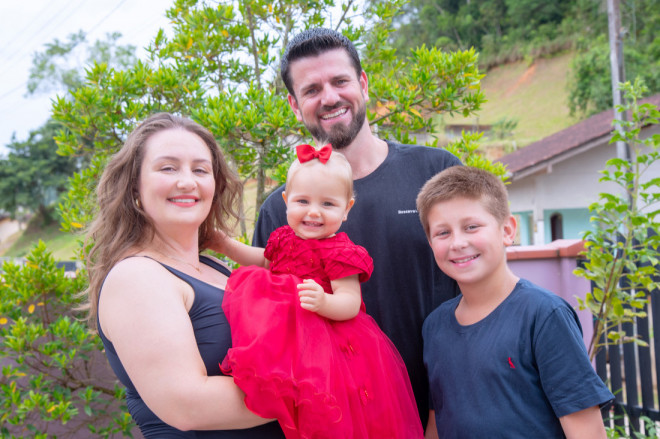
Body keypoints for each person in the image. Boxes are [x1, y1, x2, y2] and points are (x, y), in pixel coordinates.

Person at [252, 27, 462, 428]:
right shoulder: (281, 213)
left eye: (340, 81)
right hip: (336, 423)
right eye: (312, 89)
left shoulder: (436, 173)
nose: (329, 97)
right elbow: (272, 330)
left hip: (449, 413)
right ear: (296, 106)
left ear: (363, 84)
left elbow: (483, 291)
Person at [82, 113, 285, 438]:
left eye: (200, 170)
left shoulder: (214, 267)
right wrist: (318, 386)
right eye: (168, 168)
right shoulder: (136, 278)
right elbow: (187, 405)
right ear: (135, 185)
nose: (187, 181)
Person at [215, 143, 424, 438]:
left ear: (347, 209)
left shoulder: (340, 251)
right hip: (290, 340)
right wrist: (226, 246)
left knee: (330, 412)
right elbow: (263, 259)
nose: (313, 213)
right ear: (286, 201)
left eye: (328, 204)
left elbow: (350, 303)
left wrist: (324, 301)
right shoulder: (283, 237)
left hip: (332, 347)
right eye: (303, 202)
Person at [416, 166, 614, 438]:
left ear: (507, 230)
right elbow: (437, 424)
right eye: (443, 233)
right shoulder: (434, 326)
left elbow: (587, 432)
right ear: (429, 241)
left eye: (471, 227)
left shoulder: (544, 316)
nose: (458, 242)